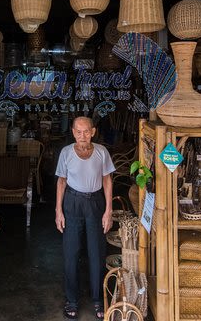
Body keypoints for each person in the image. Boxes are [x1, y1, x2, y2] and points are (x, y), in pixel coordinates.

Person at [55, 116, 115, 320]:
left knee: (96, 252)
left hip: (95, 203)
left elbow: (107, 180)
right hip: (72, 202)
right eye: (78, 132)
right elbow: (61, 182)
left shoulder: (101, 152)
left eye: (86, 131)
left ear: (93, 131)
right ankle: (71, 301)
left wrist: (108, 210)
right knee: (71, 253)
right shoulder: (66, 153)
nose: (83, 136)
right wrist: (58, 211)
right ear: (73, 132)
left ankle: (98, 300)